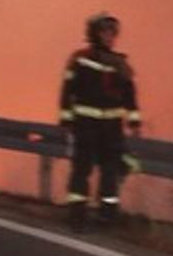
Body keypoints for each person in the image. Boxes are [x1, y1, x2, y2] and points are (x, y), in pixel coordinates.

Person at [57, 12, 141, 229]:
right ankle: (77, 215)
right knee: (81, 170)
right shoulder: (80, 59)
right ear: (94, 33)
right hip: (85, 126)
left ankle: (107, 216)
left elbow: (130, 97)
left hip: (111, 129)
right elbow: (68, 91)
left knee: (110, 172)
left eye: (113, 33)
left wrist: (134, 121)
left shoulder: (120, 65)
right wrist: (67, 120)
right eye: (105, 32)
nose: (110, 36)